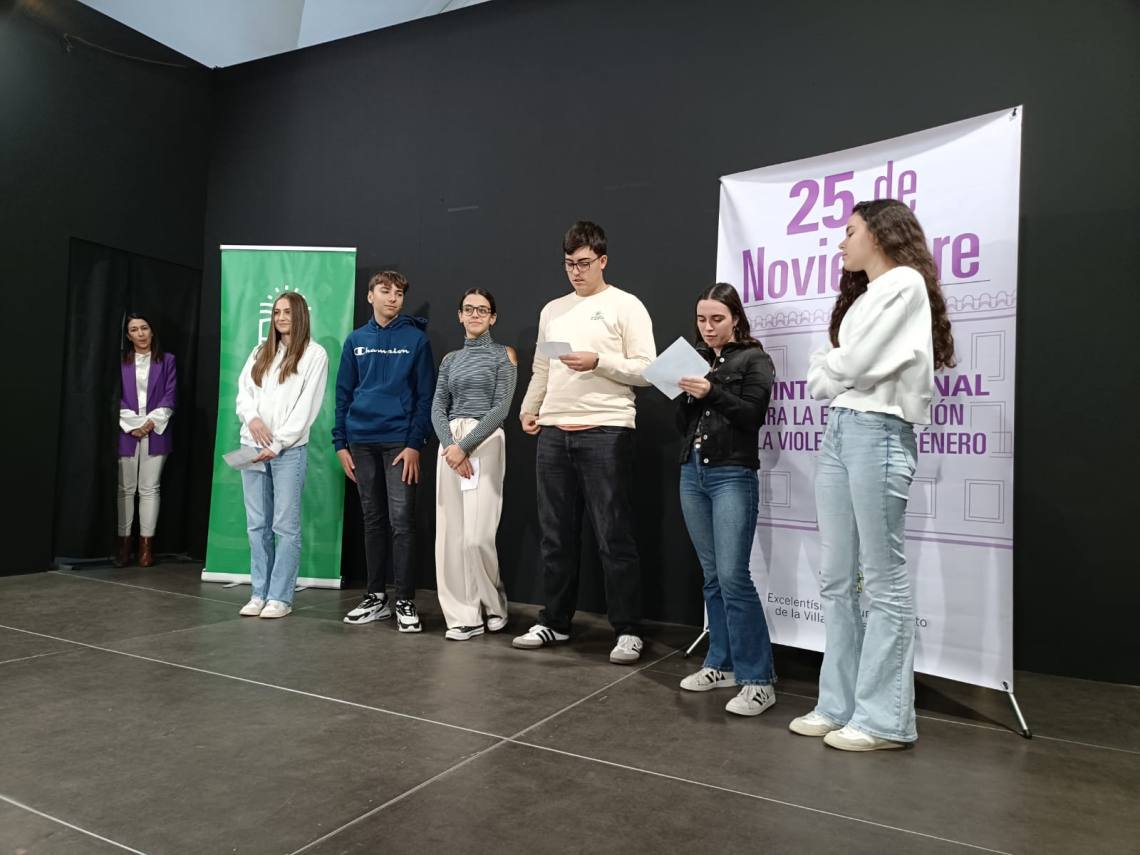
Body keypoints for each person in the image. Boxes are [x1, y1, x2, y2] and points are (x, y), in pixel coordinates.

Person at [793, 198, 955, 751]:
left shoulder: (904, 283)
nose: (841, 242)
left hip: (880, 431)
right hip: (841, 430)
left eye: (850, 230)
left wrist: (836, 367)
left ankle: (885, 721)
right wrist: (837, 368)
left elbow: (850, 365)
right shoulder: (863, 298)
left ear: (880, 235)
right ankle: (837, 704)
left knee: (883, 581)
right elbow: (822, 377)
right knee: (837, 578)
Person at [513, 221, 656, 664]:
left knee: (614, 535)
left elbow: (647, 369)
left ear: (602, 260)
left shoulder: (626, 305)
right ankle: (555, 621)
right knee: (556, 535)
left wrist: (600, 361)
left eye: (584, 263)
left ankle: (628, 629)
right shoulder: (553, 310)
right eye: (569, 264)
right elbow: (542, 366)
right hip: (555, 430)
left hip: (607, 428)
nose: (576, 272)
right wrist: (530, 406)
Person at [676, 284, 777, 716]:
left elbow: (753, 415)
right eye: (702, 319)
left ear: (735, 317)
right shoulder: (697, 358)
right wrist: (686, 395)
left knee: (735, 577)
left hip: (732, 472)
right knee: (713, 576)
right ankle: (721, 663)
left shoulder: (755, 359)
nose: (708, 327)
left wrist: (710, 391)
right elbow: (682, 423)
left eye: (717, 318)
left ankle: (759, 680)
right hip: (692, 470)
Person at [335, 271, 435, 633]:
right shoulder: (356, 340)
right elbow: (343, 393)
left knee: (402, 522)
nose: (393, 298)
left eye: (399, 293)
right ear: (370, 296)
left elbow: (425, 396)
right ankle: (376, 597)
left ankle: (405, 599)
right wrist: (340, 443)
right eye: (385, 291)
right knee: (373, 520)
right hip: (360, 442)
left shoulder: (415, 340)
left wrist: (414, 443)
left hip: (398, 443)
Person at [235, 291, 328, 619]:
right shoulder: (260, 351)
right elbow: (243, 392)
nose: (280, 318)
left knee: (284, 526)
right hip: (250, 446)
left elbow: (307, 407)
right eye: (276, 312)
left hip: (287, 451)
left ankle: (280, 597)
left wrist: (277, 445)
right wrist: (252, 419)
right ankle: (258, 593)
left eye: (287, 312)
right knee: (256, 524)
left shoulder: (315, 354)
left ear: (300, 314)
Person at [431, 289, 517, 640]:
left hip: (486, 439)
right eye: (469, 309)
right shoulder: (450, 359)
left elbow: (502, 408)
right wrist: (451, 446)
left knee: (477, 537)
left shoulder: (503, 354)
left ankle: (494, 605)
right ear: (460, 315)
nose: (475, 315)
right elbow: (438, 406)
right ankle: (463, 615)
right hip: (450, 443)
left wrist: (466, 447)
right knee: (451, 534)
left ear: (493, 317)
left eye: (482, 310)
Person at [116, 314, 176, 568]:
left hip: (156, 428)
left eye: (144, 328)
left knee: (150, 488)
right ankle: (123, 547)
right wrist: (133, 424)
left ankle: (145, 549)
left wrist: (150, 423)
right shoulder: (120, 362)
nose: (140, 334)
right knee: (125, 489)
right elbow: (114, 396)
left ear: (152, 331)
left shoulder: (167, 360)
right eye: (134, 330)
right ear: (128, 336)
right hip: (126, 429)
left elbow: (170, 395)